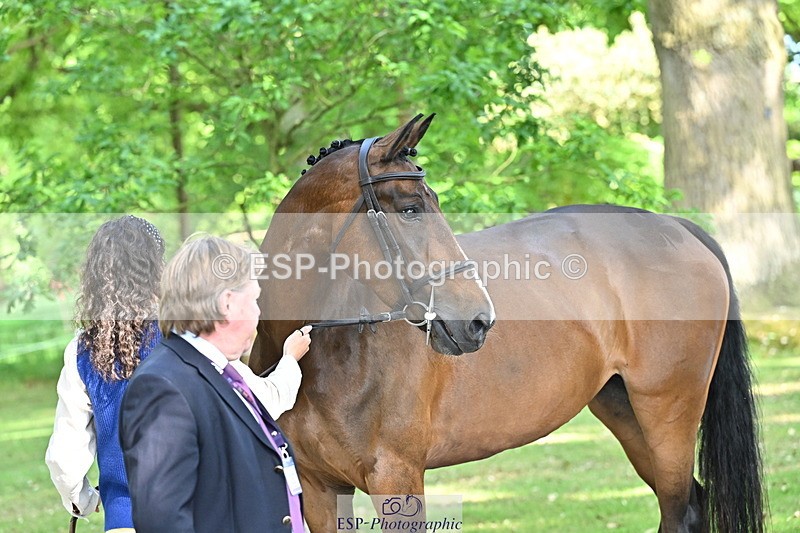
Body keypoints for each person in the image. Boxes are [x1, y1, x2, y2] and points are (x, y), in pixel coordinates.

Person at [46, 220, 304, 533]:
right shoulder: (187, 336)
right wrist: (290, 359)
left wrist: (83, 501)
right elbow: (265, 402)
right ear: (157, 267)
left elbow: (64, 458)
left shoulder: (81, 351)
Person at [119, 235, 311, 533]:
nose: (260, 312)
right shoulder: (163, 387)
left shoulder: (220, 370)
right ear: (227, 304)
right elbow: (164, 521)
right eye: (255, 299)